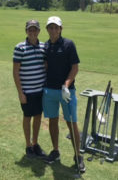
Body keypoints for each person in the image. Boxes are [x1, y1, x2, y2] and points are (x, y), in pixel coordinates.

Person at [42, 16, 85, 173]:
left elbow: (75, 68)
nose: (53, 30)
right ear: (47, 29)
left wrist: (66, 84)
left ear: (60, 29)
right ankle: (55, 151)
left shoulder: (68, 44)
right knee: (52, 121)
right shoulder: (45, 46)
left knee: (71, 122)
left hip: (66, 92)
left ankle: (77, 156)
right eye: (50, 27)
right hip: (49, 91)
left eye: (56, 27)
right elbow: (45, 66)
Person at [13, 19, 47, 158]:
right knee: (27, 117)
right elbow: (15, 71)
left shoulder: (44, 47)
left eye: (35, 29)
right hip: (27, 91)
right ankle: (28, 146)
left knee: (38, 116)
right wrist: (20, 93)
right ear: (26, 31)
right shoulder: (20, 47)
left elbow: (46, 66)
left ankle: (35, 143)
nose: (32, 32)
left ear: (39, 31)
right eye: (30, 30)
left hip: (40, 91)